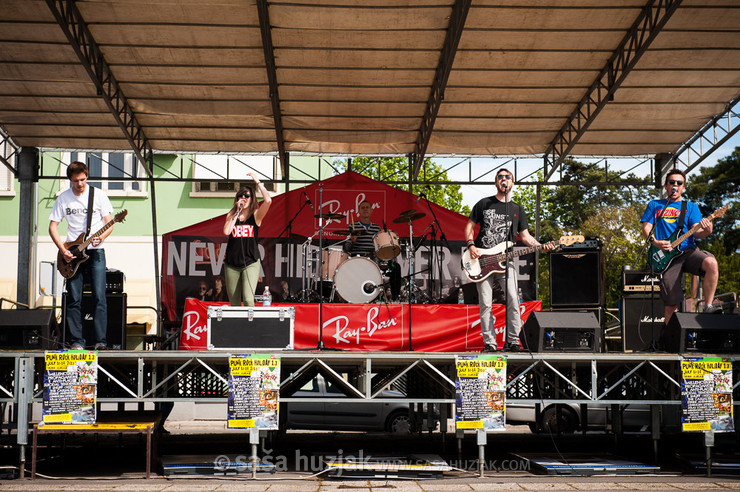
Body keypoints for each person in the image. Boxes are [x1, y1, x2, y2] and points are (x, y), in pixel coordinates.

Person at [464, 169, 553, 352]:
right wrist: (471, 245)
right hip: (483, 260)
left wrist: (540, 245)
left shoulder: (517, 209)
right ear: (496, 182)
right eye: (500, 177)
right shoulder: (484, 204)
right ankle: (490, 343)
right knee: (486, 304)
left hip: (506, 261)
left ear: (512, 183)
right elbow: (469, 226)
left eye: (507, 177)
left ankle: (513, 341)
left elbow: (525, 237)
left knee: (513, 299)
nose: (503, 179)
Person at [640, 169, 720, 324]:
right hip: (666, 255)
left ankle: (708, 305)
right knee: (671, 304)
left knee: (711, 263)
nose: (675, 185)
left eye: (679, 183)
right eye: (672, 182)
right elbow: (646, 228)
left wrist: (708, 229)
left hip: (687, 251)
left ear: (683, 187)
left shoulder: (691, 207)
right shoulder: (655, 205)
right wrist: (655, 242)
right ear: (666, 186)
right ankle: (669, 340)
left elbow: (696, 232)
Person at [49, 160, 114, 350]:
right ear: (70, 180)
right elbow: (53, 226)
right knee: (74, 298)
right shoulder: (63, 198)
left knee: (99, 296)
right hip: (72, 253)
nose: (80, 184)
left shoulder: (99, 195)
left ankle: (100, 341)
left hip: (95, 253)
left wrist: (100, 237)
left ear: (87, 177)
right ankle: (77, 341)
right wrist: (63, 250)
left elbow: (110, 222)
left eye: (83, 179)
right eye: (76, 180)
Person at [223, 173, 272, 306]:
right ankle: (237, 327)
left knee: (248, 299)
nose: (243, 198)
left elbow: (268, 201)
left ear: (252, 199)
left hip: (250, 262)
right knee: (234, 303)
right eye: (241, 195)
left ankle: (251, 326)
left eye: (247, 196)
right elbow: (227, 231)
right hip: (231, 263)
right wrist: (237, 212)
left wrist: (258, 183)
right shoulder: (231, 214)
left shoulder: (255, 215)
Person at [347, 200, 401, 300]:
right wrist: (352, 241)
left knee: (395, 266)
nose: (365, 209)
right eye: (362, 208)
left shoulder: (376, 228)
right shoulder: (353, 226)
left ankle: (395, 297)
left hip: (373, 258)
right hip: (358, 258)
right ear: (359, 211)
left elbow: (380, 247)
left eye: (367, 207)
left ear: (371, 210)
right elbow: (346, 248)